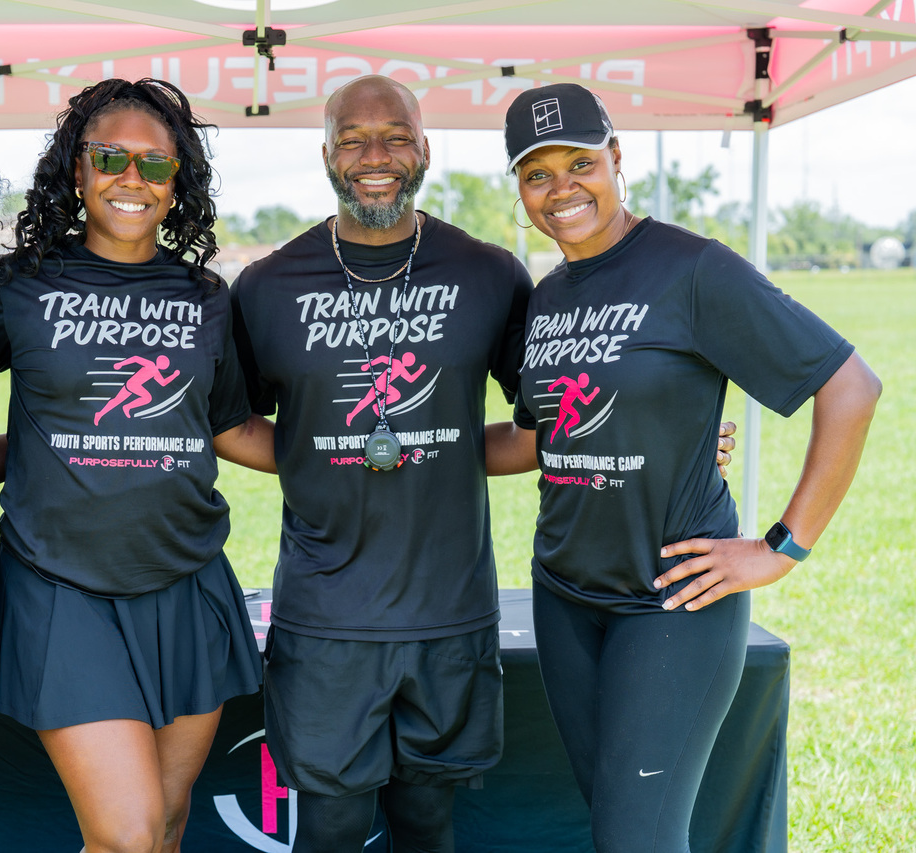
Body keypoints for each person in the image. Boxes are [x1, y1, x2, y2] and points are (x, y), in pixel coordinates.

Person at [504, 82, 881, 852]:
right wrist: (413, 445)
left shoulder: (692, 268)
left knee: (637, 837)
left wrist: (782, 547)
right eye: (538, 174)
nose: (561, 188)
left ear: (616, 157)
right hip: (564, 594)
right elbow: (537, 437)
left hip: (671, 599)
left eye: (581, 163)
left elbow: (850, 387)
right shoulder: (547, 298)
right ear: (520, 189)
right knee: (617, 825)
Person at [0, 78, 271, 853]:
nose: (132, 178)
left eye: (155, 164)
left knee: (165, 824)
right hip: (61, 586)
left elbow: (229, 426)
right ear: (78, 169)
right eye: (110, 157)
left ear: (177, 181)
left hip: (188, 582)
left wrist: (335, 457)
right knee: (126, 833)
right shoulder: (18, 285)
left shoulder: (206, 296)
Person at [229, 74, 534, 852]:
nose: (376, 156)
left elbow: (546, 420)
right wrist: (314, 459)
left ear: (425, 149)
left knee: (427, 822)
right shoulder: (267, 286)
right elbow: (230, 424)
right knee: (330, 828)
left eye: (396, 137)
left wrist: (679, 435)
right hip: (327, 614)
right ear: (326, 154)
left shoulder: (489, 273)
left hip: (450, 608)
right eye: (354, 139)